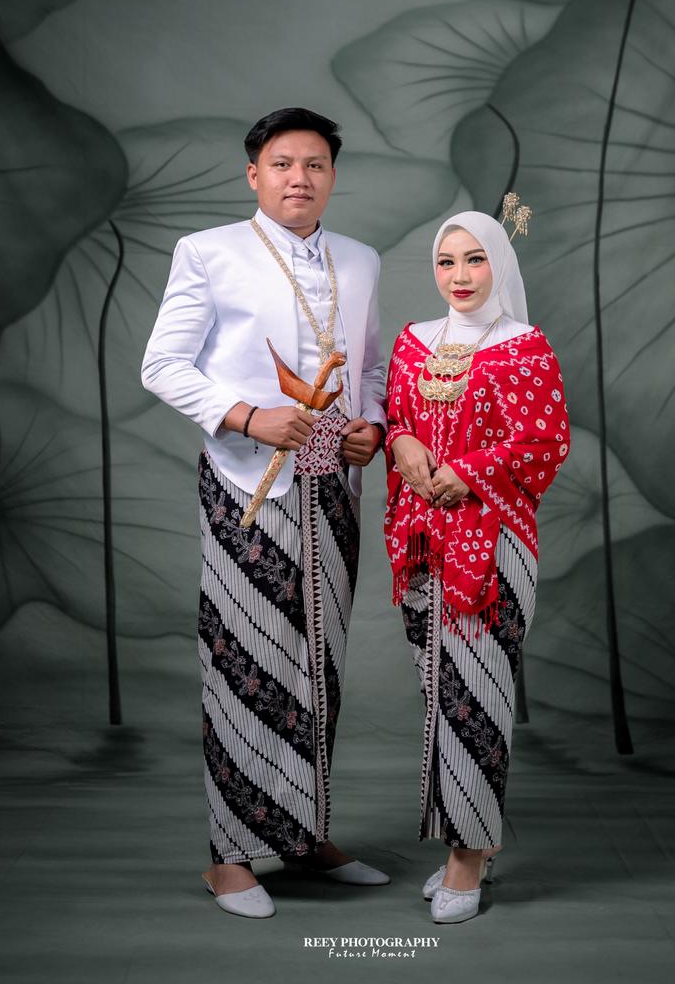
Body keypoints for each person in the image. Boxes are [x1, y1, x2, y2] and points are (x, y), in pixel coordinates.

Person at [142, 108, 390, 918]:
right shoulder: (209, 252)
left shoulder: (361, 259)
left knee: (320, 660)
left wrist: (372, 426)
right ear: (254, 174)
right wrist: (248, 416)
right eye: (282, 164)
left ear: (332, 176)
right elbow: (162, 364)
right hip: (246, 480)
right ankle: (229, 857)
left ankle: (304, 837)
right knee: (244, 659)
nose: (298, 178)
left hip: (333, 486)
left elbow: (374, 368)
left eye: (315, 164)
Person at [383, 210, 569, 924]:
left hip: (492, 547)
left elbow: (544, 442)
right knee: (440, 695)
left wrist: (470, 470)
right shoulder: (413, 343)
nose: (458, 276)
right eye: (446, 262)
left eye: (474, 260)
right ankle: (472, 838)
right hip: (422, 543)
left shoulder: (525, 347)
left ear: (499, 264)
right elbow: (397, 418)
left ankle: (466, 857)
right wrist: (401, 442)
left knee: (478, 698)